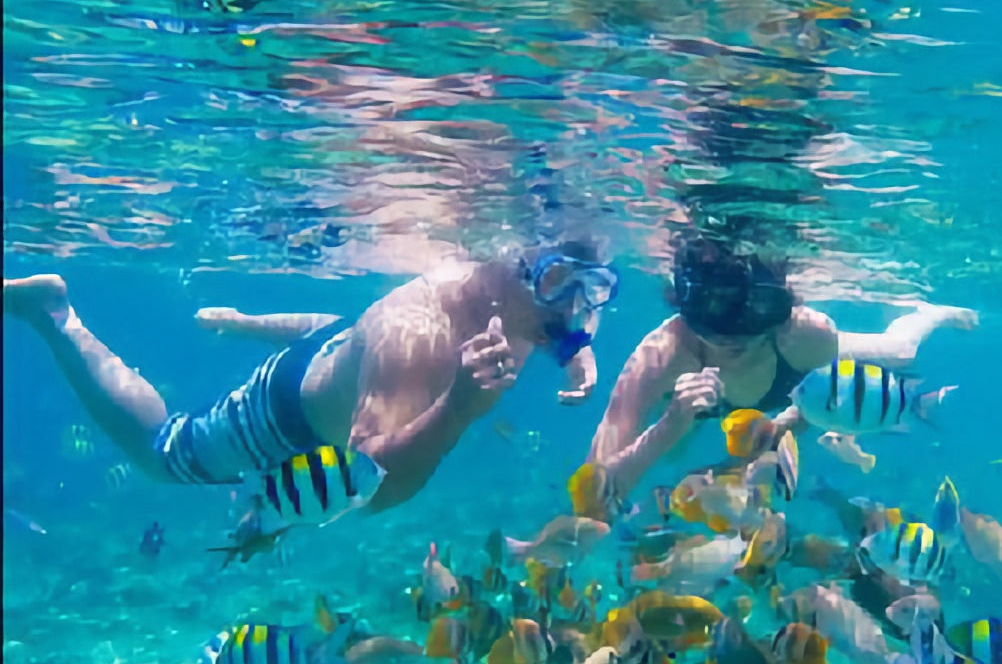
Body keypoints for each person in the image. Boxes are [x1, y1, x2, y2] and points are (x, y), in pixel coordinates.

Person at [3, 239, 617, 512]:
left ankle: (239, 321)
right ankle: (56, 316)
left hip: (336, 346)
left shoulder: (499, 292)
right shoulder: (418, 341)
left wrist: (575, 351)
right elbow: (368, 484)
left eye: (593, 294)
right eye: (563, 289)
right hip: (284, 418)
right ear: (516, 267)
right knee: (162, 453)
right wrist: (457, 408)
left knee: (347, 337)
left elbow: (349, 330)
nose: (574, 312)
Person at [586, 230, 976, 501]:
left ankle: (933, 313)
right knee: (674, 452)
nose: (732, 338)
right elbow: (596, 483)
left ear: (774, 309)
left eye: (749, 320)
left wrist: (774, 432)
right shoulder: (663, 355)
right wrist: (671, 423)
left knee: (902, 349)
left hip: (790, 369)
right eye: (714, 327)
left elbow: (826, 406)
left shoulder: (807, 334)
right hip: (690, 406)